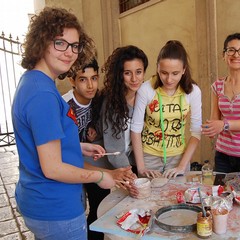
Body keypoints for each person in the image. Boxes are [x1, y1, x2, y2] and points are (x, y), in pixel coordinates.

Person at [11, 7, 116, 240]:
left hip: (40, 201)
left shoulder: (34, 82)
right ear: (42, 42)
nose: (70, 52)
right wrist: (100, 176)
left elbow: (40, 142)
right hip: (55, 208)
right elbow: (53, 168)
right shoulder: (42, 95)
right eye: (60, 43)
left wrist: (77, 146)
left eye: (75, 45)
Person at [62, 58, 134, 240]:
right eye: (83, 79)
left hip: (91, 164)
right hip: (69, 166)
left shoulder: (98, 100)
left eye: (94, 78)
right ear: (71, 80)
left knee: (97, 209)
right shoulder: (63, 106)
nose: (90, 85)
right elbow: (61, 150)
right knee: (76, 212)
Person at [131, 40, 202, 179]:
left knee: (178, 198)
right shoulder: (146, 89)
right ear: (157, 68)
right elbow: (136, 129)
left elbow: (196, 132)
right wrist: (141, 168)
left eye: (175, 73)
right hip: (149, 157)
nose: (169, 79)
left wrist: (182, 166)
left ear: (184, 70)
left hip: (179, 158)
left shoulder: (193, 92)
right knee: (149, 199)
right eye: (164, 73)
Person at [95, 45, 148, 176]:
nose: (134, 79)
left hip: (133, 164)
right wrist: (131, 176)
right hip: (107, 168)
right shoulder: (112, 104)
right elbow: (114, 151)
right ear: (120, 75)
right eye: (127, 73)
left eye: (138, 72)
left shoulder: (146, 98)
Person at [202, 33, 240, 173]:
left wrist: (224, 125)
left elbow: (222, 124)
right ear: (224, 55)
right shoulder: (217, 85)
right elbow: (214, 118)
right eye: (231, 50)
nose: (236, 55)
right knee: (222, 193)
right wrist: (210, 128)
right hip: (223, 155)